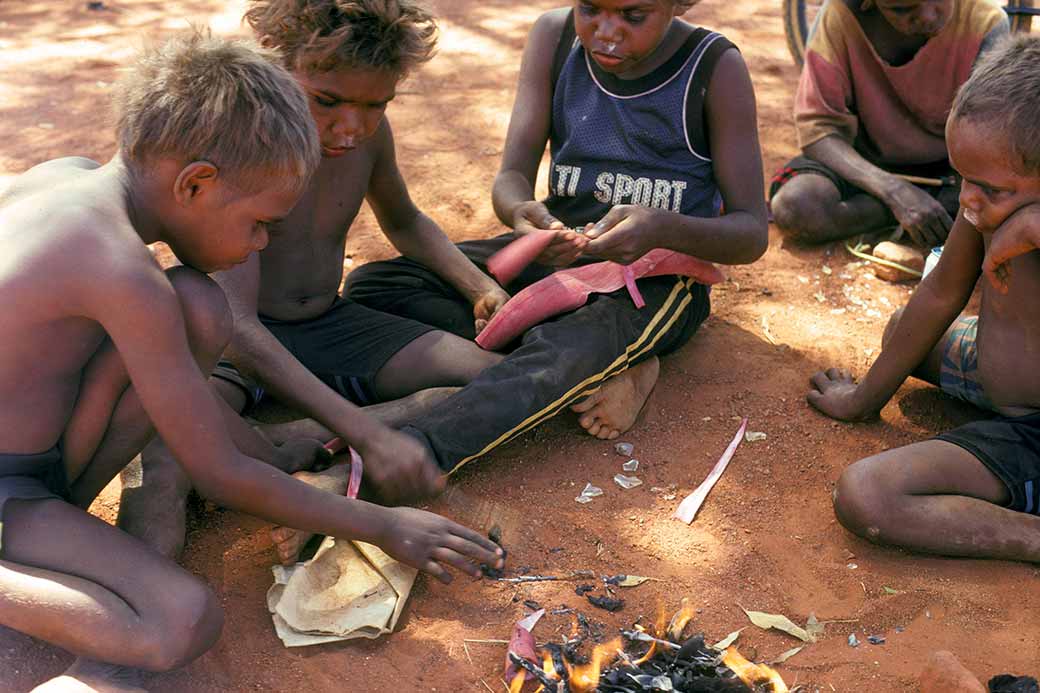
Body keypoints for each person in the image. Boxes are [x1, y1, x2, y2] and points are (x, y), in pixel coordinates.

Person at [0, 33, 502, 692]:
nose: (261, 242)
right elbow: (219, 474)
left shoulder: (68, 180)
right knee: (181, 620)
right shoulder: (121, 273)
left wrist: (267, 455)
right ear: (196, 183)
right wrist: (384, 524)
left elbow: (181, 398)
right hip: (12, 492)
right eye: (260, 222)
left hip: (30, 462)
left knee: (199, 307)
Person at [118, 0, 517, 562]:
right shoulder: (244, 148)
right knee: (162, 454)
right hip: (229, 348)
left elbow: (403, 220)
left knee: (494, 378)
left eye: (375, 104)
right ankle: (139, 588)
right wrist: (366, 433)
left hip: (326, 323)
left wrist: (479, 286)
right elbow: (238, 332)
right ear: (274, 67)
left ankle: (289, 434)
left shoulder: (367, 140)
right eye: (326, 100)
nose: (351, 127)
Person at [345, 0, 768, 469]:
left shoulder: (713, 67)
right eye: (590, 8)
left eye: (633, 16)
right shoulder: (555, 37)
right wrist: (520, 213)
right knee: (376, 286)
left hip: (654, 278)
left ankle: (412, 451)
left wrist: (660, 228)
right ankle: (599, 367)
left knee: (569, 349)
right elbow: (512, 178)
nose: (607, 31)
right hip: (555, 254)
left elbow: (751, 232)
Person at [808, 35, 1040, 563]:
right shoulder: (987, 198)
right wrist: (863, 399)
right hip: (998, 369)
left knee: (867, 495)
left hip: (1030, 435)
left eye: (992, 189)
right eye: (962, 178)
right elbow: (940, 293)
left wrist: (1031, 228)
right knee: (903, 331)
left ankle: (1030, 536)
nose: (968, 199)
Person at [769, 0, 1007, 246]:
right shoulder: (840, 16)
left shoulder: (984, 21)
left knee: (998, 206)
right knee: (796, 207)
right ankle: (919, 211)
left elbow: (988, 140)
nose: (927, 16)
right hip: (862, 163)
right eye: (902, 9)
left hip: (949, 169)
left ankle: (920, 210)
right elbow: (817, 131)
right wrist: (895, 191)